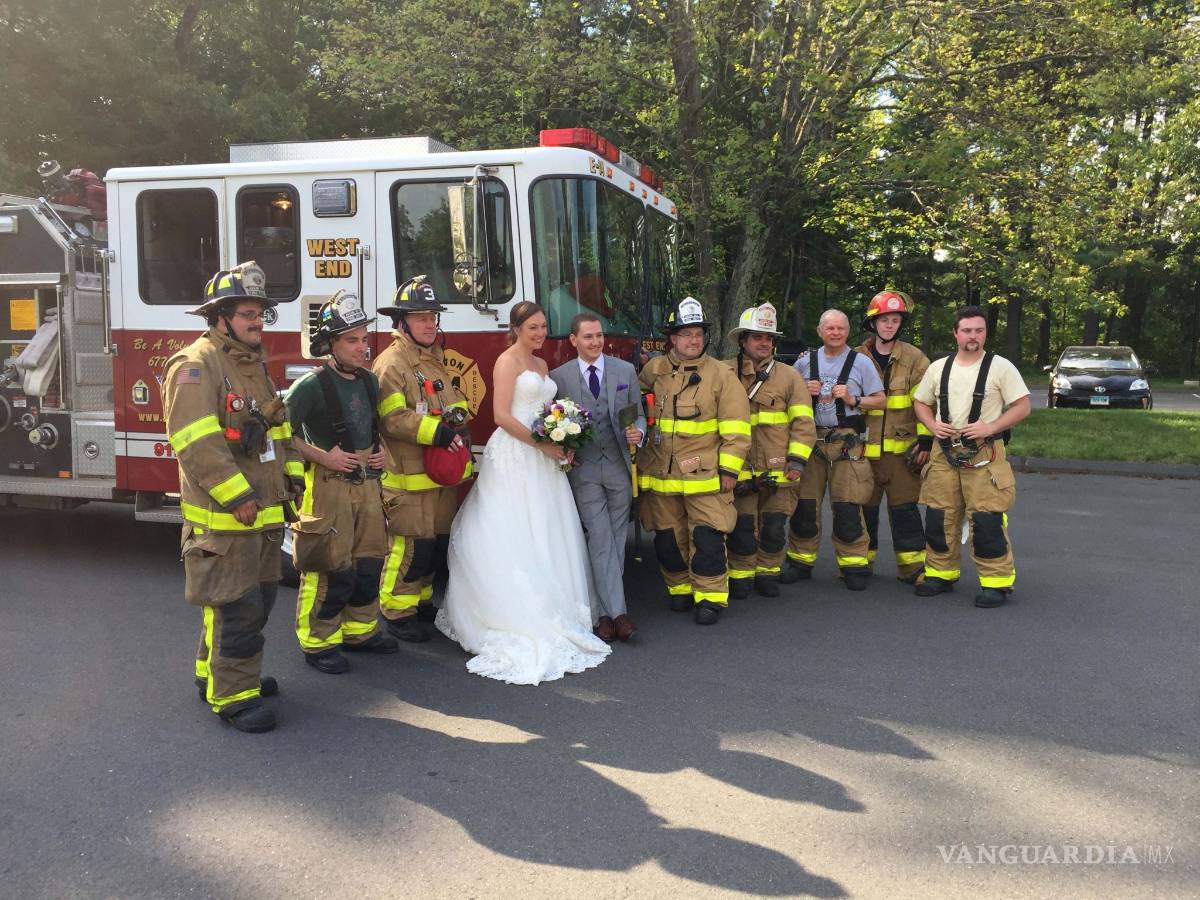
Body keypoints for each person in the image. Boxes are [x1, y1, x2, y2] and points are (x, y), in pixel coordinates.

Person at [437, 301, 611, 683]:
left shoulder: (542, 364)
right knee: (514, 526)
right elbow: (501, 415)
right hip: (516, 453)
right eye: (532, 327)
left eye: (543, 326)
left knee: (547, 527)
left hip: (543, 457)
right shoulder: (507, 361)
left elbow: (547, 412)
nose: (540, 333)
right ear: (516, 328)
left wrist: (562, 438)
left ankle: (557, 604)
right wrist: (541, 443)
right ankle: (516, 612)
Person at [162, 262, 302, 734]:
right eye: (247, 313)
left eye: (260, 313)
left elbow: (277, 428)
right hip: (226, 519)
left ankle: (214, 674)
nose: (258, 321)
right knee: (238, 608)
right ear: (220, 317)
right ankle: (235, 696)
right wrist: (237, 495)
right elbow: (195, 442)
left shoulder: (252, 363)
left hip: (262, 514)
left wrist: (292, 479)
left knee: (253, 603)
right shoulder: (196, 365)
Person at [285, 291, 398, 675]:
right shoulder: (310, 386)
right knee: (330, 565)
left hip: (368, 485)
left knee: (368, 562)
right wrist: (323, 456)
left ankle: (360, 632)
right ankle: (318, 643)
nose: (362, 347)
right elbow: (281, 434)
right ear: (330, 344)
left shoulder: (369, 381)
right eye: (352, 340)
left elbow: (372, 426)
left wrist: (380, 450)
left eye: (364, 339)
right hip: (329, 486)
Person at [637, 297, 751, 625]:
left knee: (707, 538)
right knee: (667, 539)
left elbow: (737, 429)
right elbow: (633, 408)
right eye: (686, 334)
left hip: (705, 476)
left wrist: (729, 470)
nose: (693, 340)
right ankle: (680, 590)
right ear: (672, 338)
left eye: (698, 334)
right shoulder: (654, 370)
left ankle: (710, 598)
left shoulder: (722, 375)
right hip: (661, 475)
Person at [373, 276, 474, 643]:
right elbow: (392, 418)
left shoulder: (433, 360)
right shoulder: (391, 364)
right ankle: (396, 611)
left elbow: (451, 403)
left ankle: (420, 601)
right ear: (402, 323)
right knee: (410, 547)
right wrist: (438, 432)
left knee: (432, 547)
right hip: (408, 477)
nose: (430, 324)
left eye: (433, 317)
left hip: (437, 476)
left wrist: (459, 422)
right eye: (421, 318)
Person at [911, 305, 1030, 607]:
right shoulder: (939, 368)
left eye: (979, 330)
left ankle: (996, 583)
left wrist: (991, 426)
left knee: (986, 519)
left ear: (986, 333)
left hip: (985, 454)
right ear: (956, 333)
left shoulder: (1001, 367)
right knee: (939, 516)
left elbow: (1022, 406)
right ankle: (940, 574)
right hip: (943, 453)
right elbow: (921, 403)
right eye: (966, 330)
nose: (973, 336)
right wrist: (932, 425)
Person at [549, 312, 646, 642]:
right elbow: (553, 422)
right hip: (585, 469)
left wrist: (639, 433)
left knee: (616, 540)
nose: (595, 342)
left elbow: (639, 415)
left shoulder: (625, 371)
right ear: (573, 340)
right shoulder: (559, 378)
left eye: (599, 335)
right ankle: (619, 615)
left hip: (619, 467)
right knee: (601, 536)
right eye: (588, 336)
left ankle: (603, 614)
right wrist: (564, 447)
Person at [782, 309, 885, 590]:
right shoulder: (804, 363)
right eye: (830, 328)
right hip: (811, 441)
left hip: (846, 443)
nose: (835, 333)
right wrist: (803, 390)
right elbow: (784, 396)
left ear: (848, 331)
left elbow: (881, 400)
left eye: (840, 328)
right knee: (805, 507)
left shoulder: (861, 362)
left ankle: (853, 565)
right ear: (819, 331)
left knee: (847, 506)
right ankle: (800, 562)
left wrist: (854, 400)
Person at [723, 302, 816, 599]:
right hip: (740, 469)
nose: (764, 343)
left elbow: (803, 422)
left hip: (779, 469)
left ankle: (767, 573)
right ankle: (740, 575)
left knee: (774, 528)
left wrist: (797, 461)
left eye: (769, 338)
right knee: (742, 528)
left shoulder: (789, 377)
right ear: (743, 340)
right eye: (757, 337)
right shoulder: (724, 372)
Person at [855, 291, 932, 583]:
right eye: (884, 320)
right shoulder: (855, 357)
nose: (889, 325)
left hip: (901, 454)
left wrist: (925, 441)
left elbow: (926, 403)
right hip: (863, 451)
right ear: (872, 323)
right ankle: (860, 564)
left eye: (895, 320)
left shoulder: (915, 359)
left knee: (905, 510)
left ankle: (912, 569)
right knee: (863, 510)